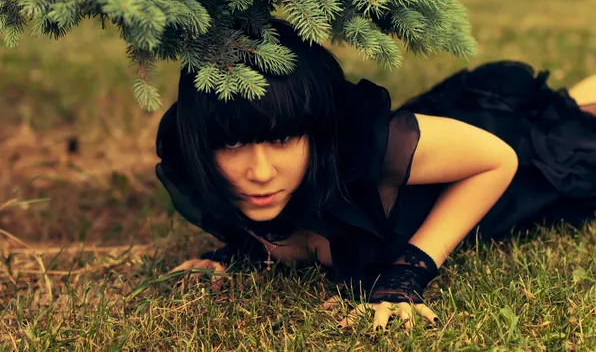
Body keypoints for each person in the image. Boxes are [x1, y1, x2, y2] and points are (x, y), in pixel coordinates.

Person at [155, 19, 596, 331]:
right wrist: (237, 254)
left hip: (503, 150)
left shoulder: (367, 146)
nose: (261, 172)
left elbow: (498, 159)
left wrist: (410, 272)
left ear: (312, 131)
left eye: (283, 139)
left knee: (572, 130)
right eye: (233, 145)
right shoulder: (202, 165)